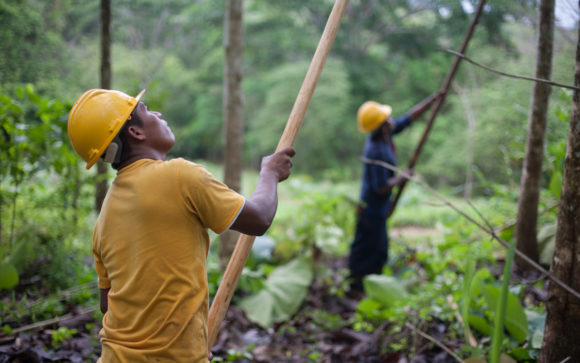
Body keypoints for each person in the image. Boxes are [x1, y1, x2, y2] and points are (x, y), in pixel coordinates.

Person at [67, 89, 295, 362]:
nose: (158, 114)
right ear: (136, 133)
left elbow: (108, 303)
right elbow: (259, 218)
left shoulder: (105, 214)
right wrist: (269, 173)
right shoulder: (179, 176)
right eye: (147, 110)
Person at [348, 91, 443, 293]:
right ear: (380, 126)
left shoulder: (385, 134)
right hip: (370, 210)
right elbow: (380, 187)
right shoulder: (374, 150)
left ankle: (368, 284)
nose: (391, 120)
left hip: (378, 210)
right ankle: (357, 285)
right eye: (386, 119)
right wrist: (402, 177)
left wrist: (432, 100)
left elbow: (408, 118)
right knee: (368, 249)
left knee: (377, 250)